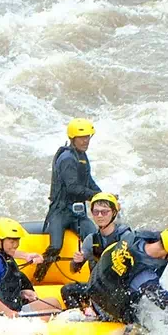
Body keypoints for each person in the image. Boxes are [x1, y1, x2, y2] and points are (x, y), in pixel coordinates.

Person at [62, 226, 168, 325]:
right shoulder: (144, 275)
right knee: (147, 334)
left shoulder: (141, 235)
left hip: (95, 285)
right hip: (109, 306)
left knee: (70, 290)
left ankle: (88, 310)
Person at [33, 118, 102, 281]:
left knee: (95, 242)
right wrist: (94, 196)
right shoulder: (67, 159)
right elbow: (73, 188)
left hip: (77, 214)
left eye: (88, 137)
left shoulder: (81, 155)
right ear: (73, 138)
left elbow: (88, 181)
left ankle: (96, 280)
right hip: (60, 211)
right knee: (56, 246)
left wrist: (102, 196)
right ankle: (37, 277)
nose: (86, 141)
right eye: (82, 137)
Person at [0, 217, 60, 318]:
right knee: (52, 314)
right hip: (3, 314)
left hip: (13, 308)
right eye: (12, 241)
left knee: (54, 302)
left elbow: (2, 287)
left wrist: (22, 293)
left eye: (17, 240)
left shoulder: (4, 256)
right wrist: (7, 312)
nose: (16, 245)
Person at [69, 192, 133, 274]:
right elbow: (74, 270)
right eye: (96, 212)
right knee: (67, 287)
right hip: (98, 284)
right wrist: (76, 261)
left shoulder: (126, 237)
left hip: (120, 284)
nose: (99, 215)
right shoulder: (91, 240)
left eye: (104, 212)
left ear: (113, 213)